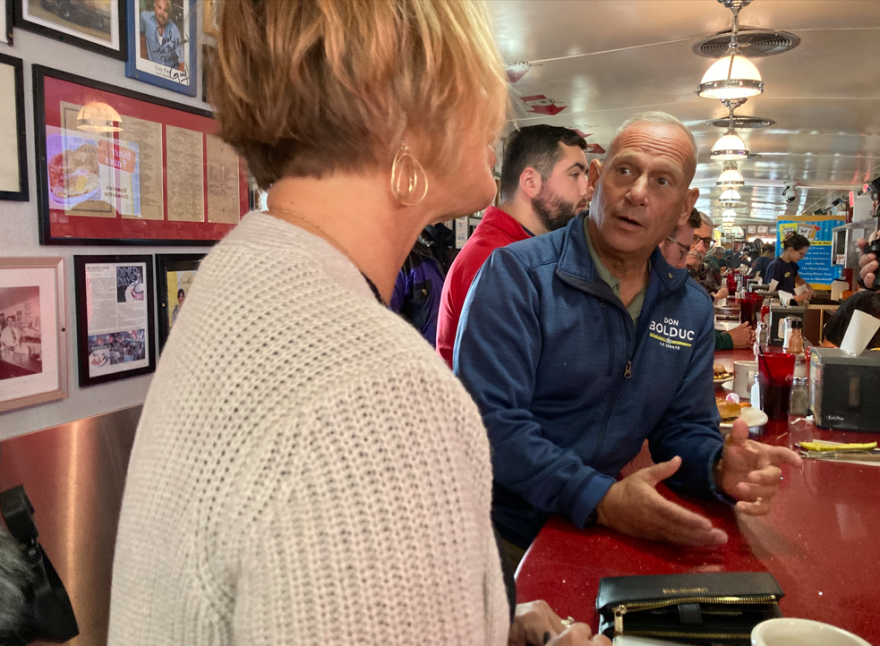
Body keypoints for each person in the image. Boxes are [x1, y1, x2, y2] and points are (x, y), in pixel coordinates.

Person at [108, 2, 605, 646]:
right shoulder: (375, 388)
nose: (496, 111)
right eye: (476, 83)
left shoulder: (244, 272)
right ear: (399, 116)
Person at [454, 112, 801, 562]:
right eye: (625, 171)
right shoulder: (517, 276)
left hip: (599, 530)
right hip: (502, 535)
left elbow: (681, 428)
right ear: (595, 181)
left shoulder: (689, 307)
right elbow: (490, 425)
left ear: (684, 206)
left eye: (661, 181)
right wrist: (601, 499)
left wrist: (717, 469)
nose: (637, 192)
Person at [436, 125, 588, 367]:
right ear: (530, 182)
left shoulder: (526, 252)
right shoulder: (492, 260)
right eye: (574, 175)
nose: (585, 190)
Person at [684, 213, 753, 350]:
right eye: (694, 238)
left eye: (706, 242)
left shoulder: (685, 276)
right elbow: (675, 338)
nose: (700, 248)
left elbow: (689, 328)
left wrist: (724, 334)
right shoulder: (658, 277)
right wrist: (727, 339)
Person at [390, 230, 446, 346]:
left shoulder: (445, 247)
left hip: (446, 356)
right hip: (419, 357)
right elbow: (387, 325)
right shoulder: (401, 257)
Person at [766, 233, 813, 301]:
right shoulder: (776, 266)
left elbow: (797, 279)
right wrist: (797, 298)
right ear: (791, 250)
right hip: (779, 308)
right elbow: (771, 292)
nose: (803, 257)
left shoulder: (792, 264)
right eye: (801, 254)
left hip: (790, 306)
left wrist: (808, 287)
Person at [139, 0, 184, 70]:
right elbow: (140, 38)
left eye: (165, 10)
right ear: (155, 5)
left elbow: (182, 65)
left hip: (169, 75)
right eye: (159, 8)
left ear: (169, 12)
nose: (162, 14)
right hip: (151, 72)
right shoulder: (144, 18)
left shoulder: (175, 32)